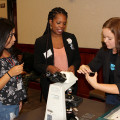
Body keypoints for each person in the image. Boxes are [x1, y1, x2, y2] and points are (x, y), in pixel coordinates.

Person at [34, 7, 81, 101]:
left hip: (69, 83)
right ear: (50, 22)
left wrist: (73, 66)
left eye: (64, 23)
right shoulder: (42, 41)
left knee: (69, 109)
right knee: (54, 111)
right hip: (51, 84)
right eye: (58, 23)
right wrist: (48, 67)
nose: (61, 26)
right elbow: (36, 64)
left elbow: (77, 58)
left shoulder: (71, 38)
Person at [77, 17, 120, 105]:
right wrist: (85, 67)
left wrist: (96, 85)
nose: (105, 41)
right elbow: (93, 66)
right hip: (111, 96)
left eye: (109, 38)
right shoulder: (104, 51)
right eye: (104, 37)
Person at [0, 18, 27, 120]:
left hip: (14, 103)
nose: (14, 39)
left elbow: (16, 81)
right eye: (11, 35)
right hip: (3, 106)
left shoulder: (8, 52)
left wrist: (19, 100)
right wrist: (10, 73)